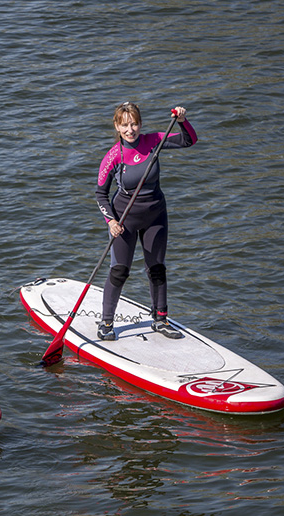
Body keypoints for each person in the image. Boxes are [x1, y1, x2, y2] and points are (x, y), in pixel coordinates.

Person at [93, 102, 197, 341]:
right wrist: (111, 221)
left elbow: (189, 141)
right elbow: (100, 193)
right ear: (117, 127)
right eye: (125, 125)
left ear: (140, 123)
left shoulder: (153, 141)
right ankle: (106, 323)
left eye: (135, 123)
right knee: (119, 271)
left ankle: (160, 319)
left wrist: (182, 122)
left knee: (157, 269)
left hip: (156, 215)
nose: (131, 129)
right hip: (125, 219)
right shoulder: (112, 157)